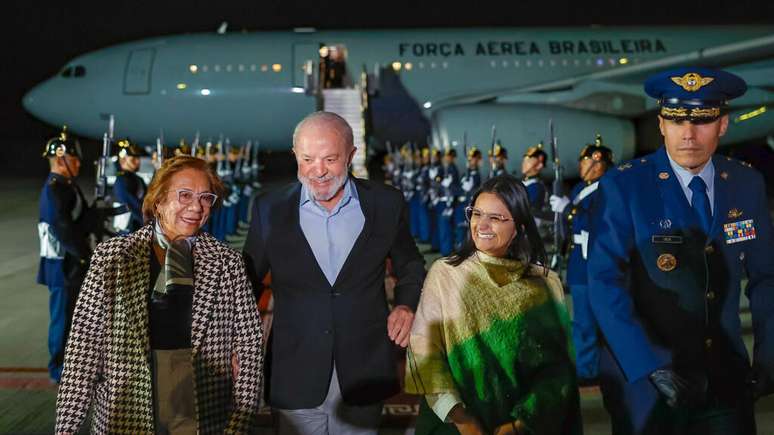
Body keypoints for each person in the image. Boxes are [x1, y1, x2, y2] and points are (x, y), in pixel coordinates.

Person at [587, 67, 774, 434]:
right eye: (676, 120)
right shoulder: (625, 186)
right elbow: (604, 283)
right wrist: (648, 365)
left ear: (722, 124)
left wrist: (769, 355)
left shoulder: (744, 183)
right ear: (661, 124)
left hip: (725, 380)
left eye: (702, 120)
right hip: (646, 385)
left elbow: (767, 278)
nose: (688, 133)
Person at [243, 111, 425, 435]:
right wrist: (234, 342)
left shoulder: (386, 203)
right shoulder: (269, 208)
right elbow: (248, 282)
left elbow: (409, 263)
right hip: (295, 369)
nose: (319, 171)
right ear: (295, 155)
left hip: (363, 369)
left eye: (330, 159)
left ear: (351, 155)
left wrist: (406, 304)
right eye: (307, 159)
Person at [55, 155, 264, 434]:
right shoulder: (112, 258)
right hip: (125, 405)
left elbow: (250, 345)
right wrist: (66, 429)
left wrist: (239, 423)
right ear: (158, 200)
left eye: (205, 198)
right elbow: (84, 347)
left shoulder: (228, 262)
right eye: (185, 195)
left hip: (202, 405)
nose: (196, 207)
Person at [405, 174, 581, 435]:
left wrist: (520, 424)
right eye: (476, 214)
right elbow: (426, 355)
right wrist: (464, 420)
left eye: (496, 218)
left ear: (519, 226)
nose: (482, 225)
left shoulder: (545, 283)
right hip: (455, 425)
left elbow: (557, 370)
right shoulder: (446, 274)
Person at [549, 135, 614, 383]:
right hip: (578, 261)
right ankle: (585, 364)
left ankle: (588, 370)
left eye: (585, 161)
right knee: (581, 318)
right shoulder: (579, 189)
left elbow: (594, 223)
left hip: (594, 262)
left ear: (599, 163)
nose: (581, 165)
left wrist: (567, 209)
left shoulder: (607, 189)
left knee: (589, 321)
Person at [37, 127, 93, 384]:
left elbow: (78, 220)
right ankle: (58, 368)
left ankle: (71, 365)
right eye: (74, 159)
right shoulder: (55, 189)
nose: (78, 163)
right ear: (61, 160)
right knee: (63, 318)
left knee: (74, 317)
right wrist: (83, 255)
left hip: (70, 263)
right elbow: (63, 228)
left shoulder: (66, 187)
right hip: (62, 265)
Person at [111, 138, 147, 234]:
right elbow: (131, 206)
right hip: (128, 231)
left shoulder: (138, 179)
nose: (138, 162)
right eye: (133, 159)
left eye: (138, 158)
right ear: (122, 160)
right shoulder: (121, 181)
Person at [520, 142, 548, 212]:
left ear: (539, 165)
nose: (524, 164)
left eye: (528, 161)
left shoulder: (537, 187)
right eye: (524, 160)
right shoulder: (523, 182)